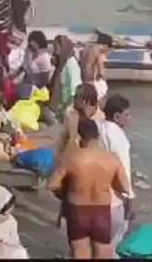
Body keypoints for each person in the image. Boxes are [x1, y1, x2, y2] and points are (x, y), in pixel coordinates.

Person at [47, 119, 131, 259]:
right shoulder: (112, 158)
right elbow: (125, 187)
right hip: (102, 211)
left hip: (78, 210)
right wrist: (107, 183)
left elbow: (52, 184)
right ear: (98, 136)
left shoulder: (72, 158)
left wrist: (65, 193)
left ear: (80, 137)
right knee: (103, 253)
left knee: (80, 252)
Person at [99, 95, 134, 248]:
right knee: (113, 241)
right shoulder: (118, 137)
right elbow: (122, 167)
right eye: (127, 115)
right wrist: (129, 196)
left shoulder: (99, 128)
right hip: (115, 196)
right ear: (117, 116)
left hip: (98, 193)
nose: (130, 118)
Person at [53, 35, 83, 120]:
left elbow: (75, 90)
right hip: (62, 107)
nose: (56, 53)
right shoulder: (64, 64)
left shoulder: (71, 65)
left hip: (68, 108)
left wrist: (69, 110)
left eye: (57, 49)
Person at [81, 33, 110, 101]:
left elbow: (85, 66)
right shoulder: (97, 51)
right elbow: (100, 71)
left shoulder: (85, 49)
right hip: (94, 82)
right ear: (105, 45)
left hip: (85, 81)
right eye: (108, 47)